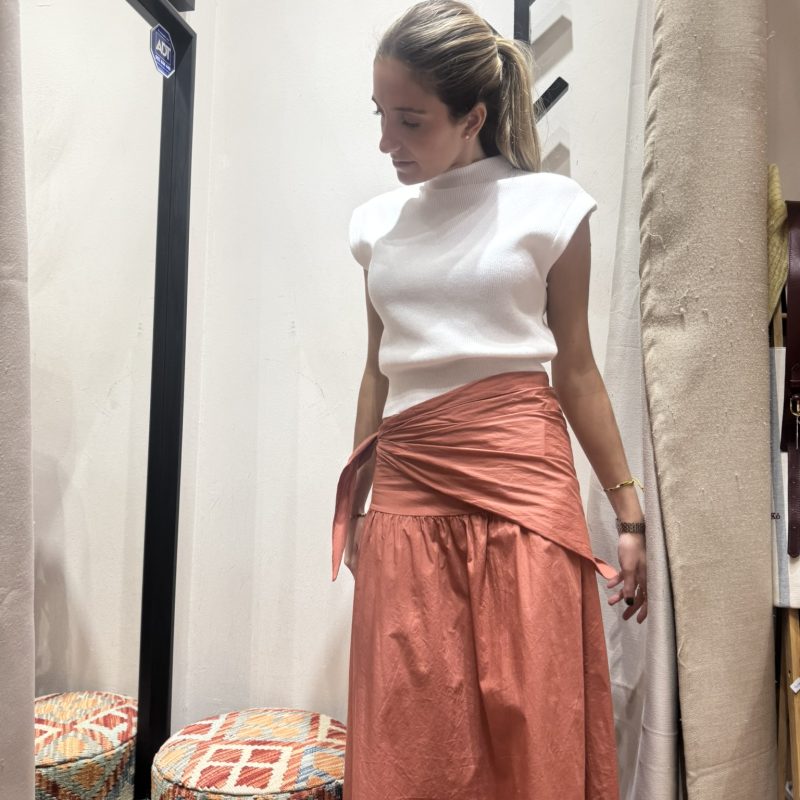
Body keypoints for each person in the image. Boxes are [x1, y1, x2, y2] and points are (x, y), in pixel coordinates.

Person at [331, 1, 647, 797]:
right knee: (412, 734)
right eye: (380, 115)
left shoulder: (553, 208)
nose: (386, 142)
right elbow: (377, 371)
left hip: (523, 489)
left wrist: (629, 514)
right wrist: (357, 502)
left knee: (532, 718)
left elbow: (576, 369)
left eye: (409, 120)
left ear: (472, 116)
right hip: (406, 488)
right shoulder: (375, 227)